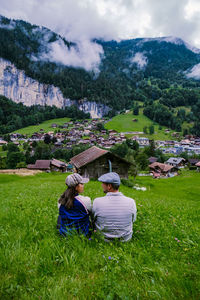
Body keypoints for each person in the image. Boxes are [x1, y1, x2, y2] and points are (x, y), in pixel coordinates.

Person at [92, 172, 137, 242]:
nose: (101, 185)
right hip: (125, 239)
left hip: (102, 239)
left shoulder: (97, 201)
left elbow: (93, 220)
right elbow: (133, 220)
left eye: (103, 183)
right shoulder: (131, 202)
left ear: (109, 186)